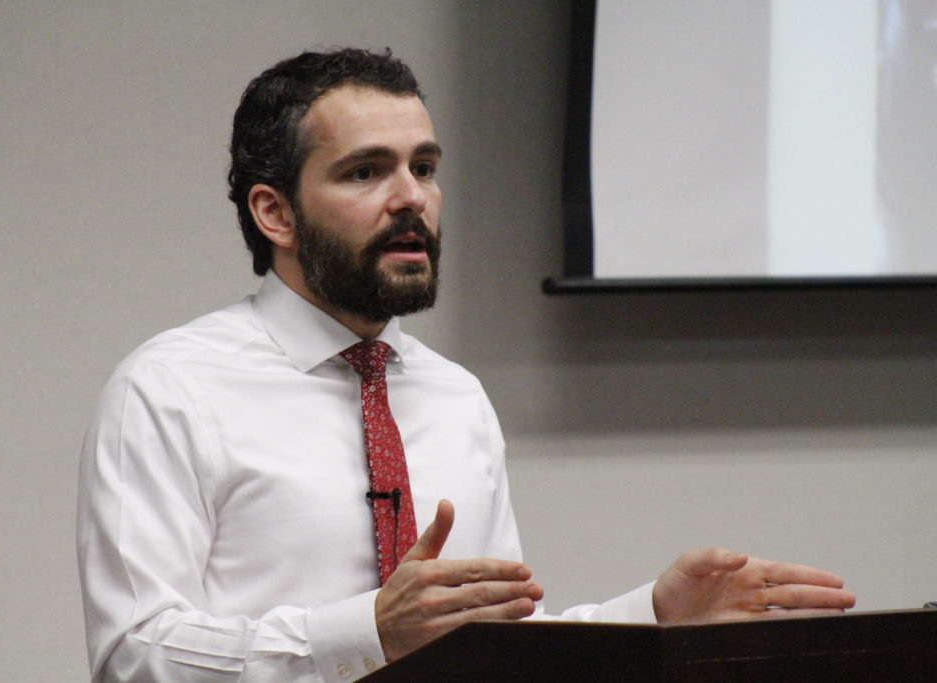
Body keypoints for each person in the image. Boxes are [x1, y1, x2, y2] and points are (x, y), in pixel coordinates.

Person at [77, 48, 855, 682]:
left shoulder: (452, 395)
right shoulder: (170, 390)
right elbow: (135, 655)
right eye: (365, 171)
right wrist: (365, 631)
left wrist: (651, 620)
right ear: (273, 211)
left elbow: (497, 642)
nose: (410, 197)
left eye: (423, 166)